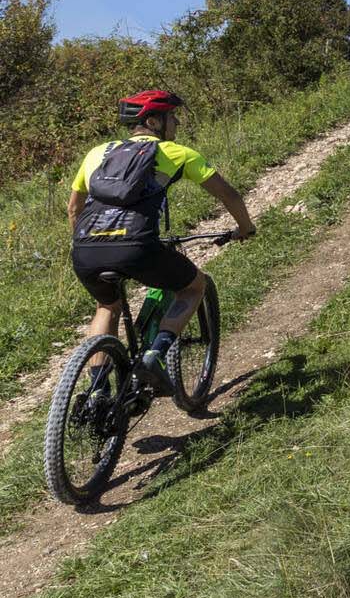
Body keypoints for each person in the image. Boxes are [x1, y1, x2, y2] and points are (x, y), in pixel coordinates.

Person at [69, 90, 256, 393]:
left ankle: (98, 392)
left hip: (85, 249)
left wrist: (86, 244)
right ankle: (154, 356)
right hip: (137, 247)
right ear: (154, 122)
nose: (177, 123)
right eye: (172, 117)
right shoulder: (177, 153)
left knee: (107, 306)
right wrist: (245, 227)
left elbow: (73, 209)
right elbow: (229, 195)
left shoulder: (97, 153)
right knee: (194, 287)